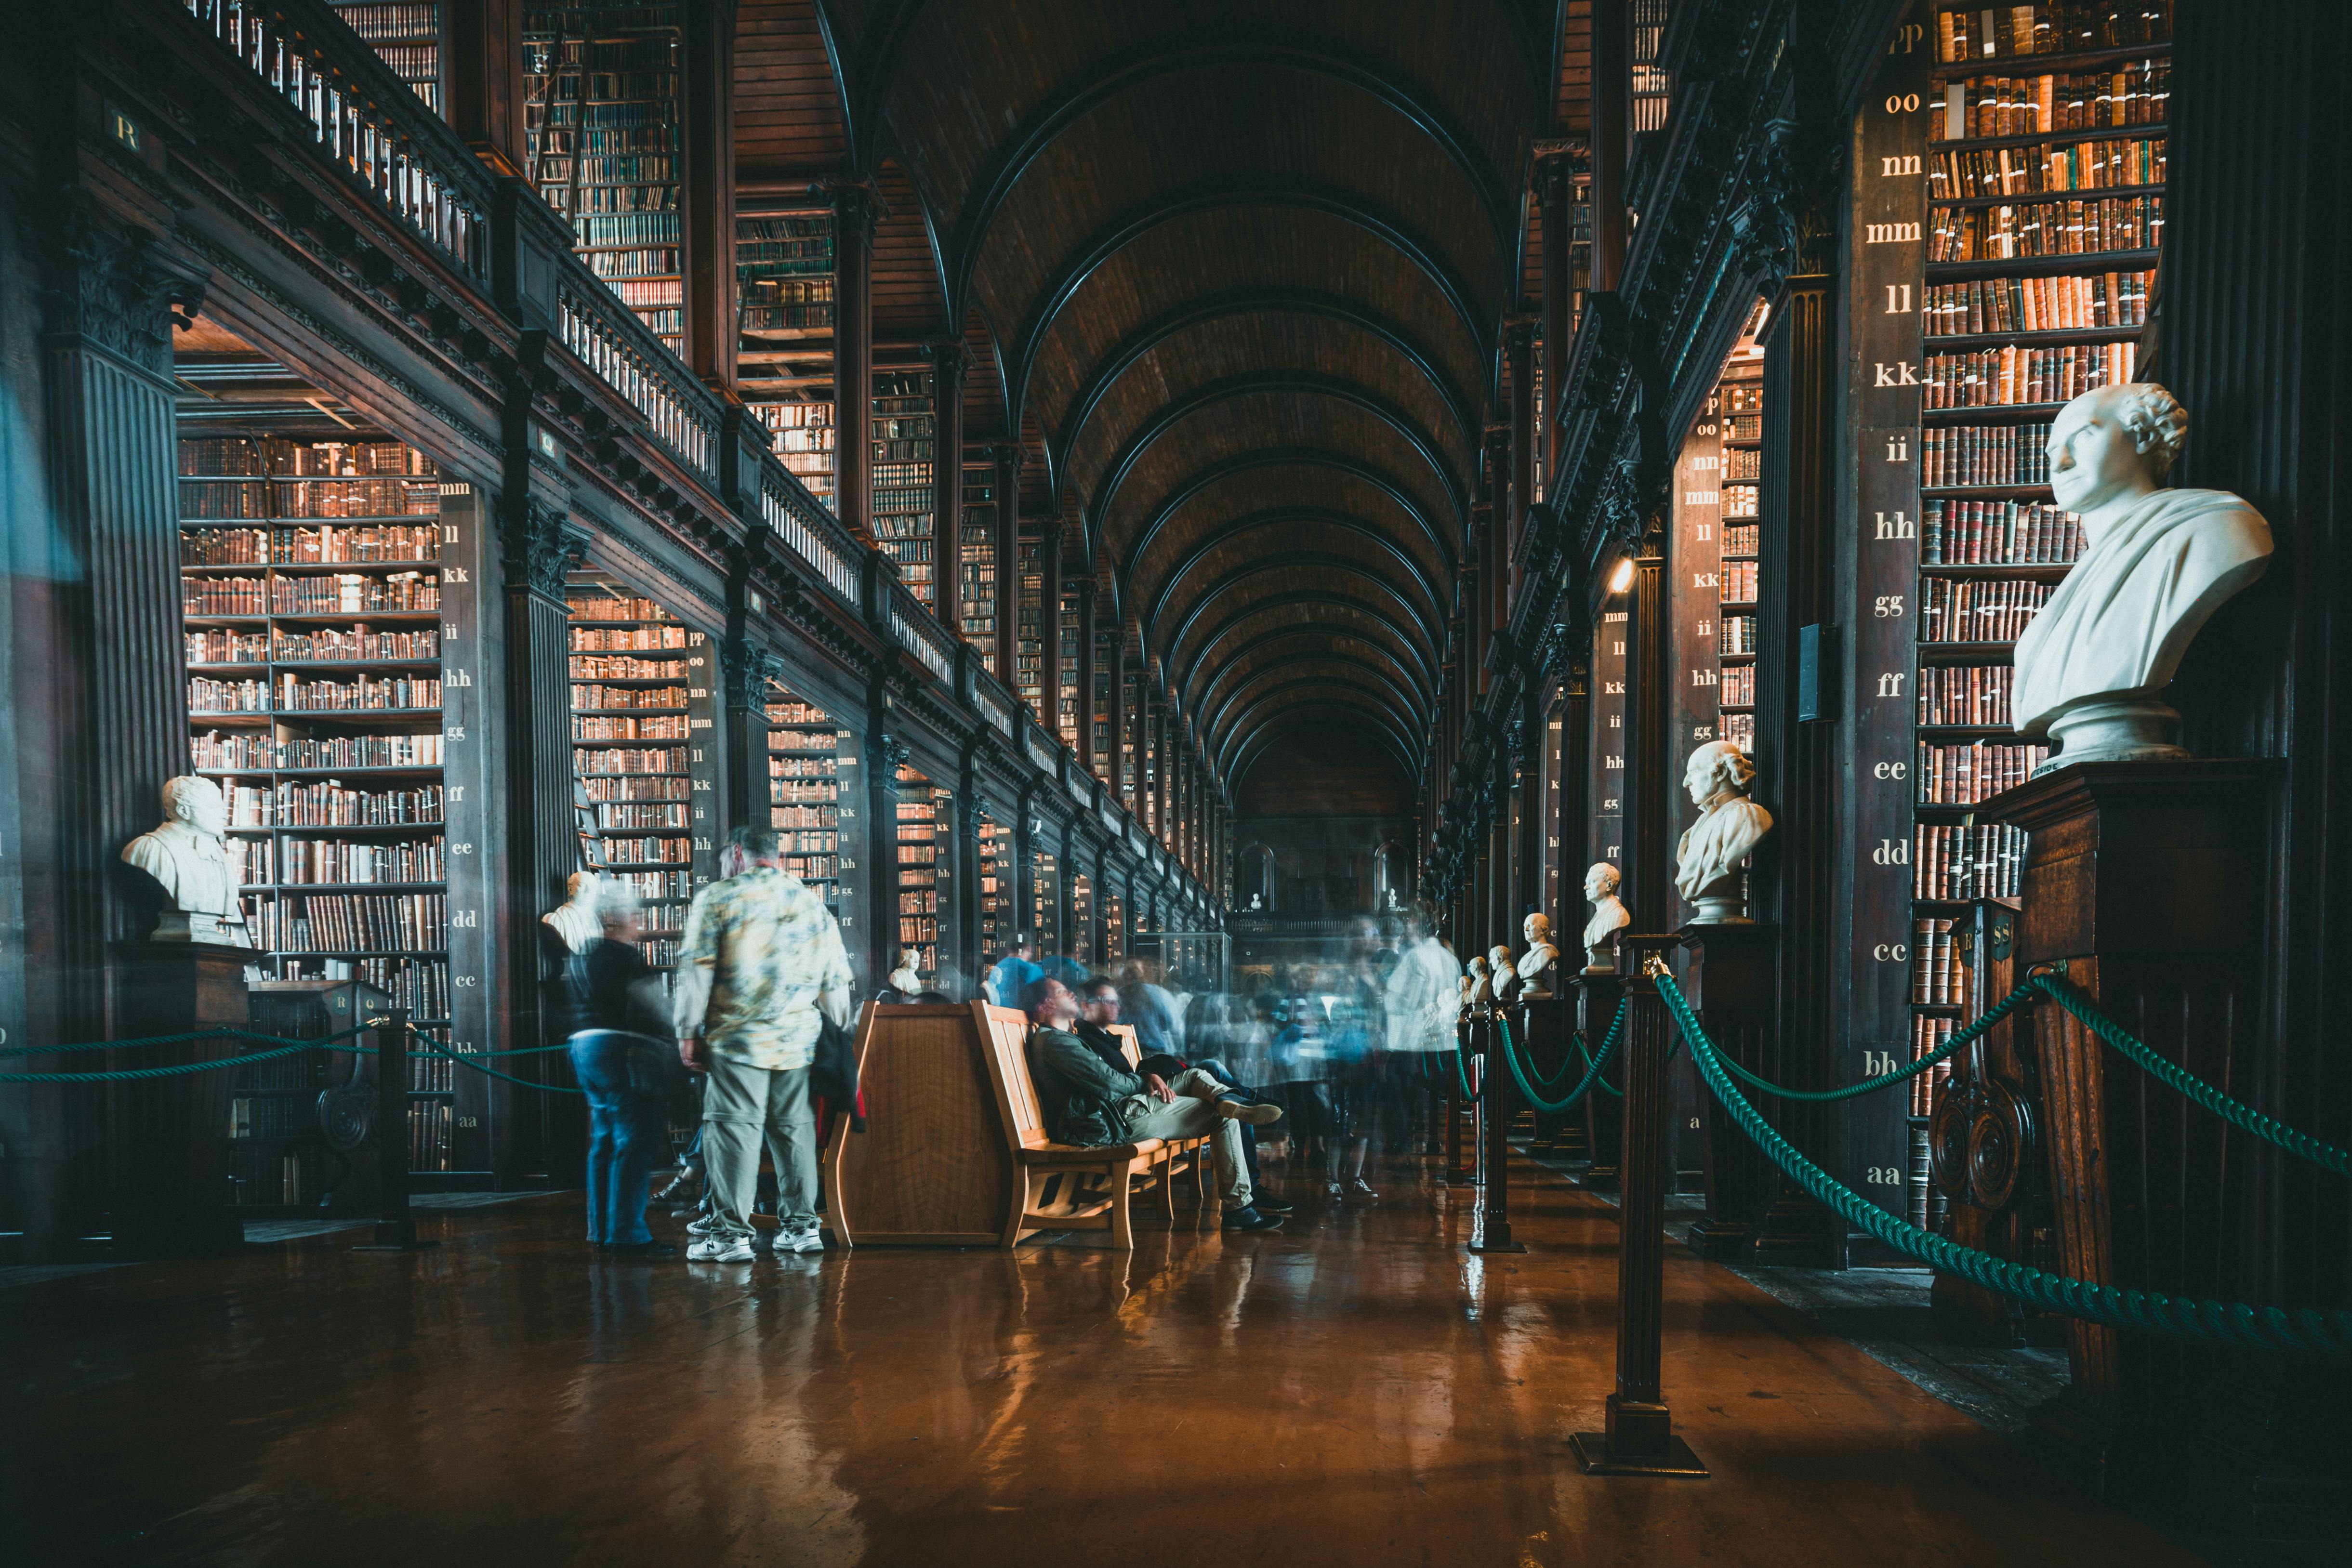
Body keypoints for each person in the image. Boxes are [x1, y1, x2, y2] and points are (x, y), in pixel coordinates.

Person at [673, 824, 855, 1263]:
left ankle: (732, 1235)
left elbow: (697, 971)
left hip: (738, 1038)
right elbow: (836, 983)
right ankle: (802, 1227)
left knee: (733, 1131)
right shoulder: (812, 904)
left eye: (724, 862)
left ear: (738, 853)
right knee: (794, 1132)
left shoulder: (720, 898)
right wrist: (835, 1027)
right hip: (797, 1040)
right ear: (778, 855)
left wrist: (687, 1030)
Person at [1024, 977, 1286, 1231]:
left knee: (1196, 1075)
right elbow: (1109, 1084)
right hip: (1112, 1121)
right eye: (1061, 992)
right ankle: (1239, 1208)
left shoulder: (1064, 1038)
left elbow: (1110, 1081)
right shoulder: (1056, 1043)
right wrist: (1144, 1079)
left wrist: (1145, 1078)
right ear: (1044, 1007)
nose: (1071, 993)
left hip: (1119, 1109)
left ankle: (1228, 1099)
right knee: (1221, 1117)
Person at [559, 885, 681, 1255]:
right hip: (621, 1050)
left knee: (604, 1143)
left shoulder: (580, 954)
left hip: (584, 1048)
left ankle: (601, 1230)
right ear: (617, 918)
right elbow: (655, 1007)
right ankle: (628, 1234)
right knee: (634, 1142)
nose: (639, 922)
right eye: (634, 915)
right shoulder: (626, 957)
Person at [984, 936, 1044, 1009]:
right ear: (1029, 948)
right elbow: (1045, 996)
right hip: (1021, 1017)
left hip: (997, 1015)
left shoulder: (997, 968)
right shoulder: (1031, 969)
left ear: (1008, 949)